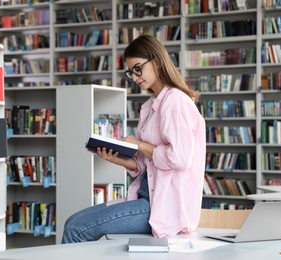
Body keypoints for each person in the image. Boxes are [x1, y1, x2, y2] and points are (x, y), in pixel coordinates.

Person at [62, 34, 206, 243]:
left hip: (163, 206)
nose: (135, 76)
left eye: (138, 68)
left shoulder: (175, 102)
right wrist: (118, 159)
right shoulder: (150, 106)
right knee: (72, 222)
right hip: (145, 197)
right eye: (131, 72)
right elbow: (145, 165)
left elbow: (180, 158)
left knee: (77, 229)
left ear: (156, 62)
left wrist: (139, 144)